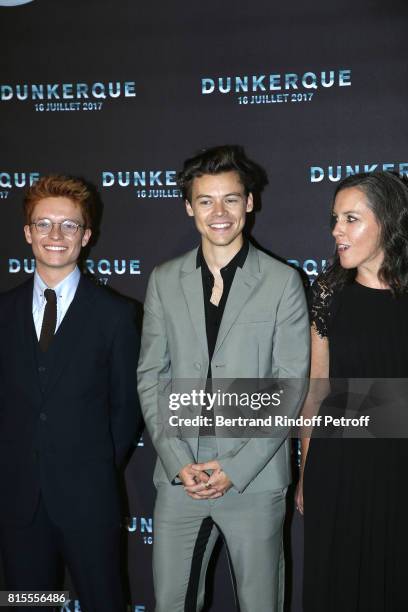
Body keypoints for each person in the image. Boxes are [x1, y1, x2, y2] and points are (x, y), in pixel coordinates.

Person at [137, 145, 310, 612]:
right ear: (188, 206)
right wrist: (176, 459)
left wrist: (235, 467)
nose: (220, 212)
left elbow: (290, 385)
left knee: (260, 603)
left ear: (249, 203)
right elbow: (152, 376)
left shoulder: (282, 281)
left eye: (231, 199)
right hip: (181, 474)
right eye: (207, 200)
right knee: (171, 602)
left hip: (253, 475)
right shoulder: (164, 279)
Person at [0, 175, 140, 612]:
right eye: (43, 225)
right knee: (29, 605)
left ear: (87, 235)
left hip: (90, 502)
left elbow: (126, 410)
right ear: (27, 233)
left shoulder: (117, 316)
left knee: (104, 603)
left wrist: (91, 466)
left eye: (69, 225)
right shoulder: (2, 312)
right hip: (18, 504)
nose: (55, 236)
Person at [296, 171, 408, 611]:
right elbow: (315, 391)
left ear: (388, 222)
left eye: (351, 219)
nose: (336, 231)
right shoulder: (328, 293)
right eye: (334, 219)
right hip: (338, 465)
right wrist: (307, 471)